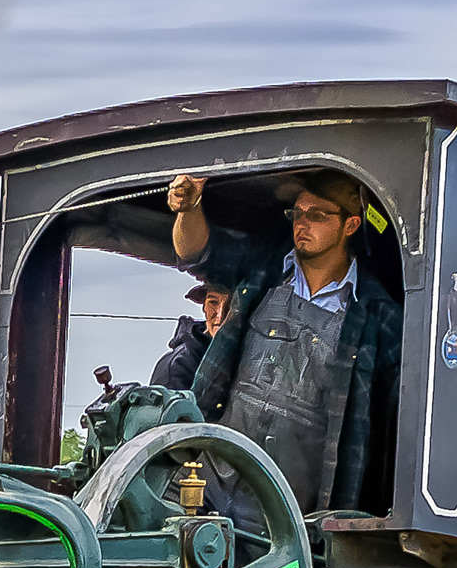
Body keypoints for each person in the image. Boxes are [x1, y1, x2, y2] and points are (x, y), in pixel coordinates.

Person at [162, 170, 399, 514]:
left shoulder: (378, 315)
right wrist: (190, 208)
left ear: (350, 225)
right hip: (205, 480)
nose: (302, 223)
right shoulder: (265, 269)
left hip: (285, 513)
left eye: (316, 215)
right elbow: (196, 251)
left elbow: (408, 402)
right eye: (297, 214)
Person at [147, 279, 230, 394]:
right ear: (204, 307)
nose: (220, 315)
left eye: (232, 304)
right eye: (213, 303)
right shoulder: (178, 366)